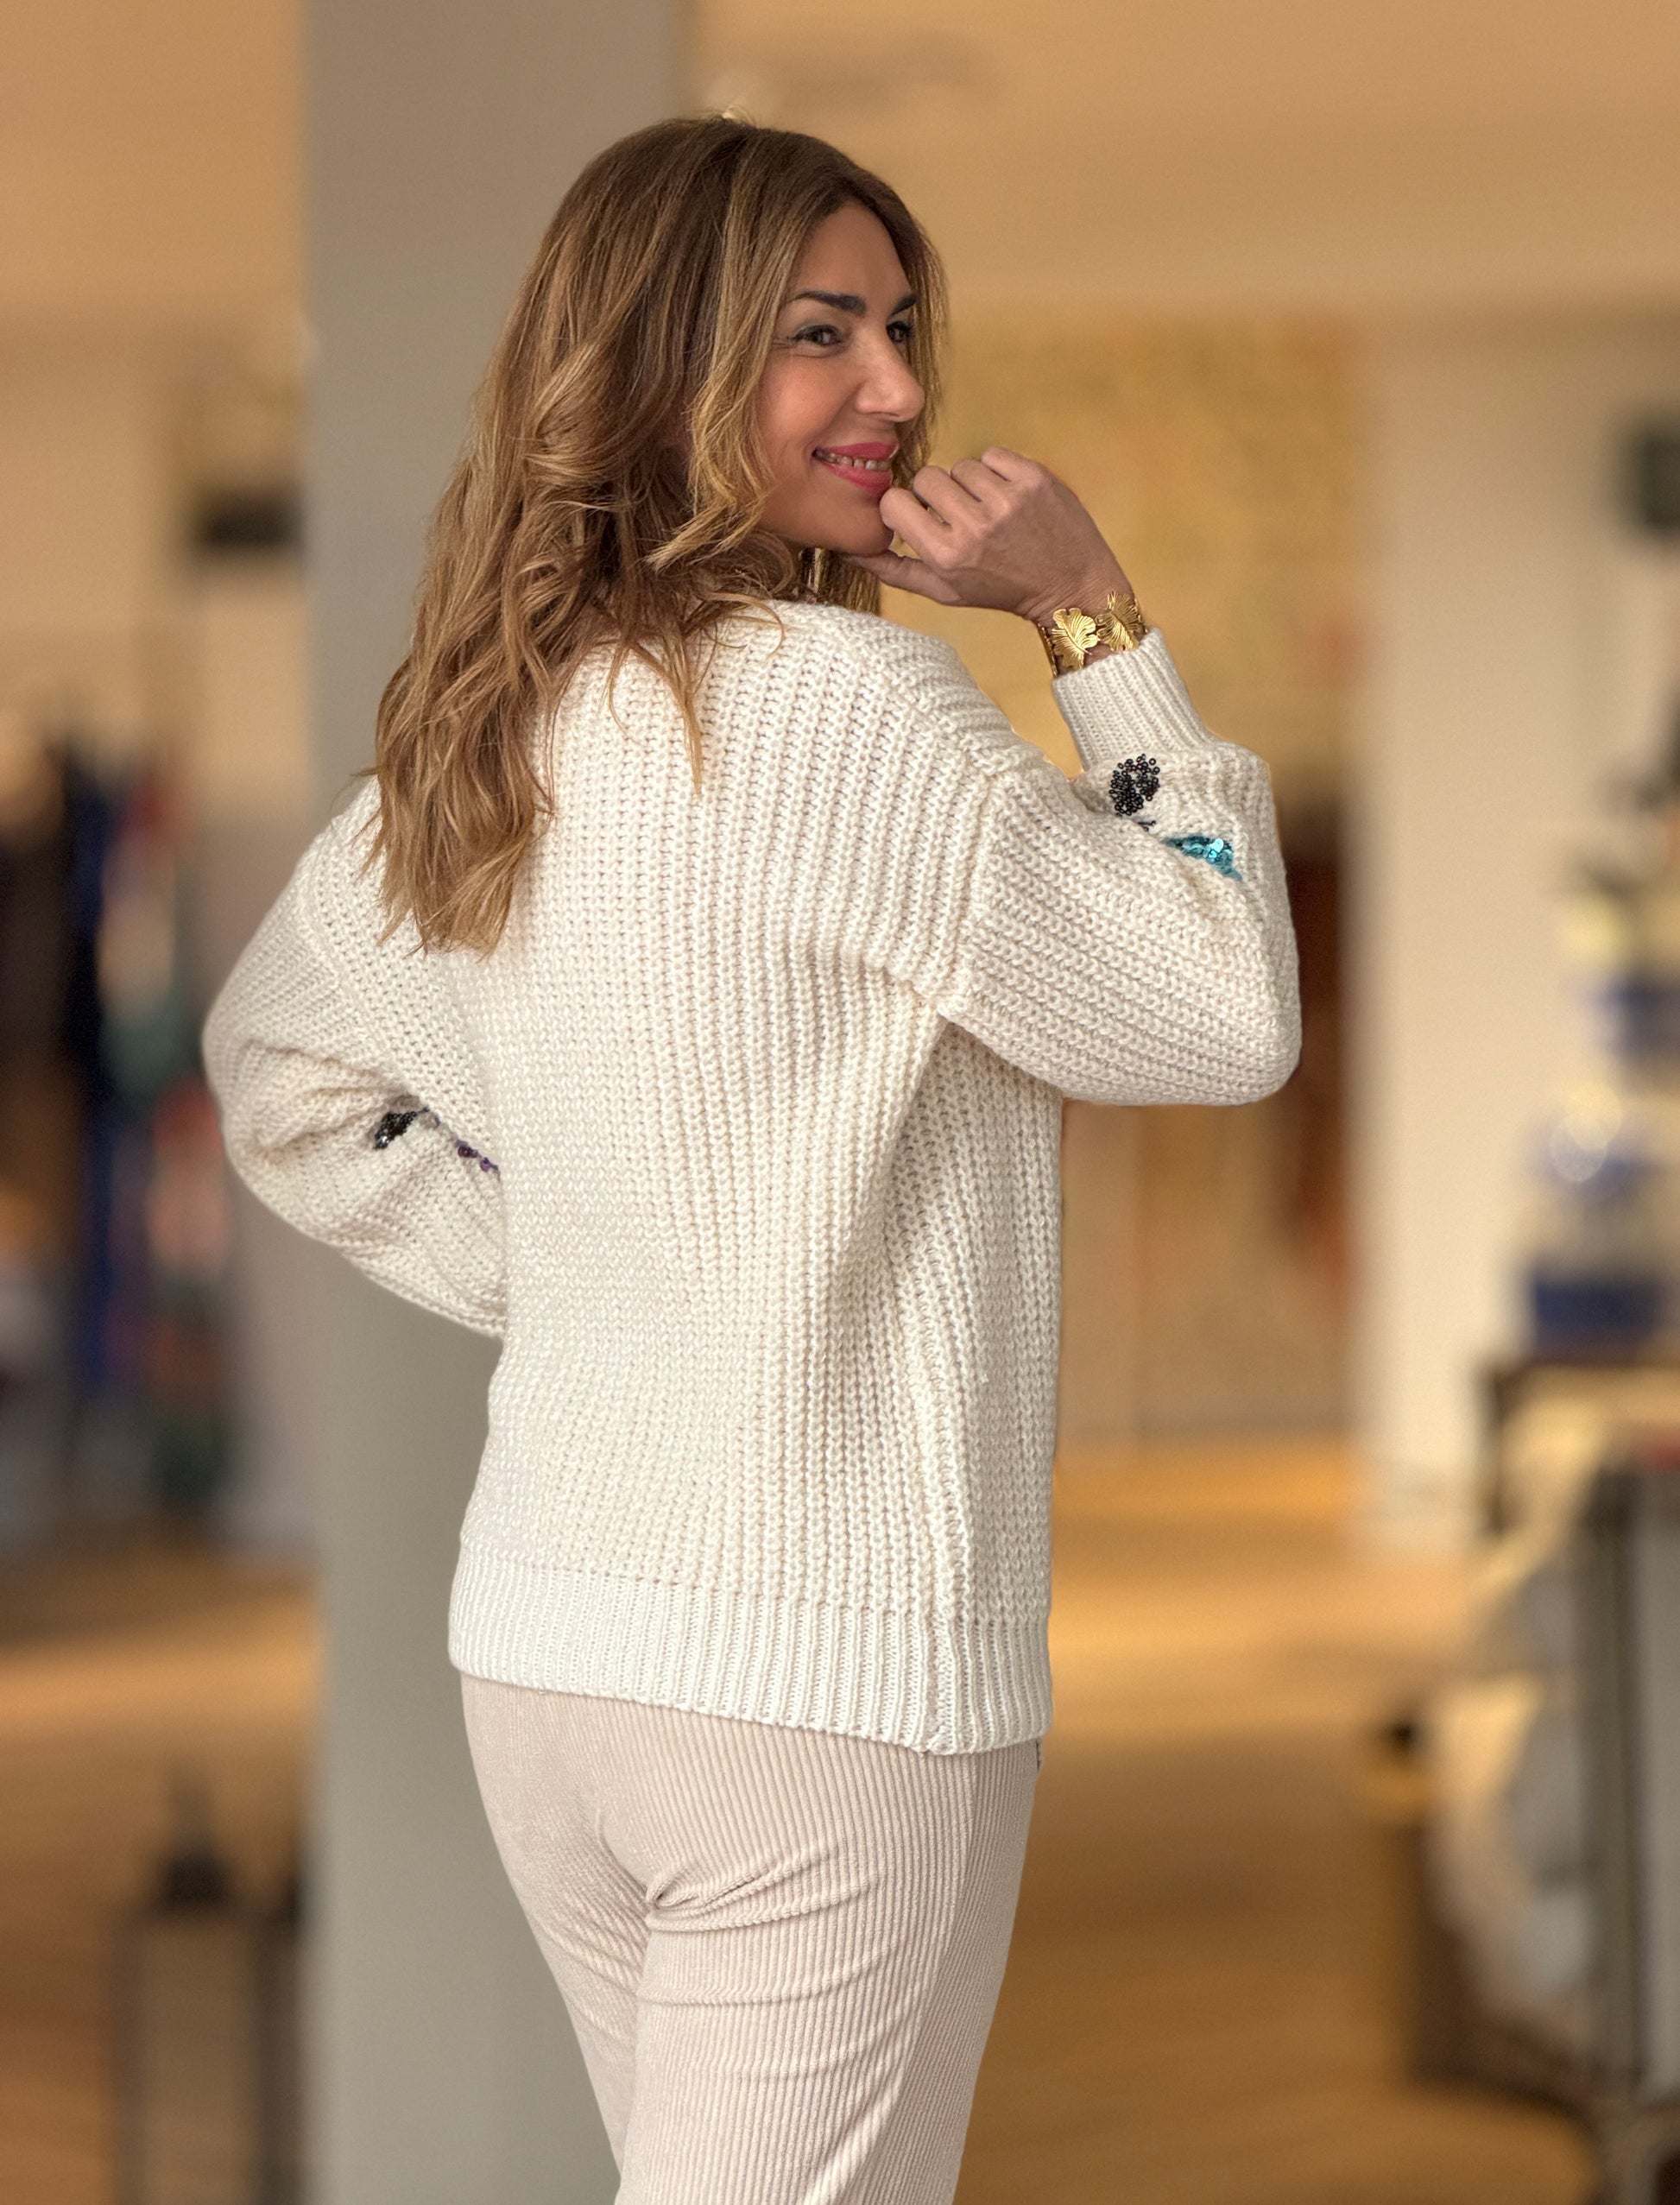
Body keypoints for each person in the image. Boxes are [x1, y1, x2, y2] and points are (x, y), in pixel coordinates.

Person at [203, 114, 1298, 2205]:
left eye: (898, 327)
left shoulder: (503, 716)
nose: (894, 385)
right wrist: (1090, 617)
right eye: (820, 333)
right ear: (667, 363)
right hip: (822, 1677)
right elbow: (1221, 1006)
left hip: (556, 1659)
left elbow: (281, 1068)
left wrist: (602, 1278)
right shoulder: (855, 711)